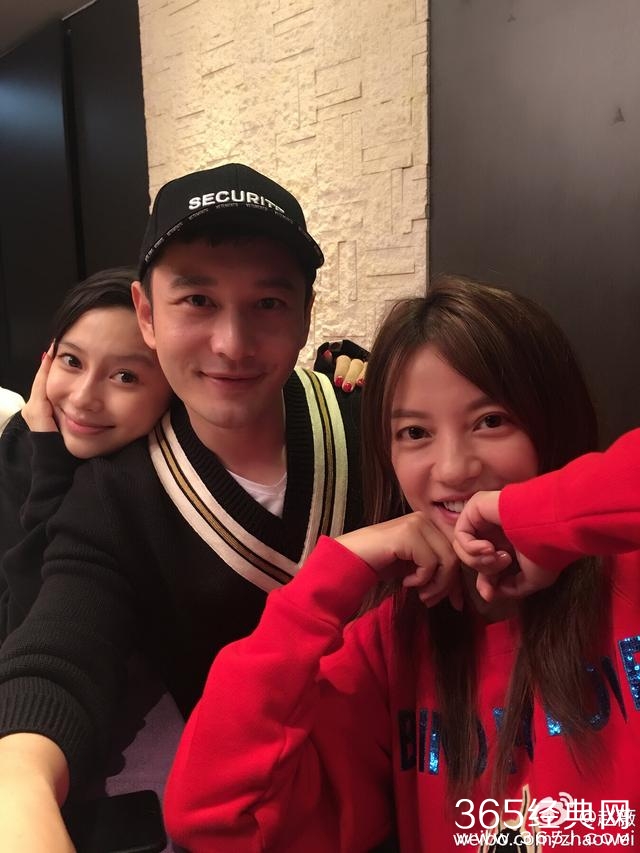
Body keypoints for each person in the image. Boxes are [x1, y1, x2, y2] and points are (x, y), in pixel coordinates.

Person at [163, 276, 638, 852]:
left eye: (491, 420)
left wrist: (544, 518)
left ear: (553, 421)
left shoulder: (627, 582)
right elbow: (215, 820)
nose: (453, 468)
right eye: (415, 433)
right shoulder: (387, 646)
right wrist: (332, 574)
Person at [0, 163, 364, 848]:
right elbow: (60, 653)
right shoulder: (117, 494)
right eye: (197, 300)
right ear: (147, 313)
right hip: (245, 817)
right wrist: (18, 777)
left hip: (413, 781)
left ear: (306, 314)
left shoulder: (372, 426)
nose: (231, 343)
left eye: (268, 303)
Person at [0, 268, 173, 637]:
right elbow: (17, 628)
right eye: (72, 361)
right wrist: (46, 455)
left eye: (125, 376)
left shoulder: (167, 482)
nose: (82, 399)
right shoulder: (19, 447)